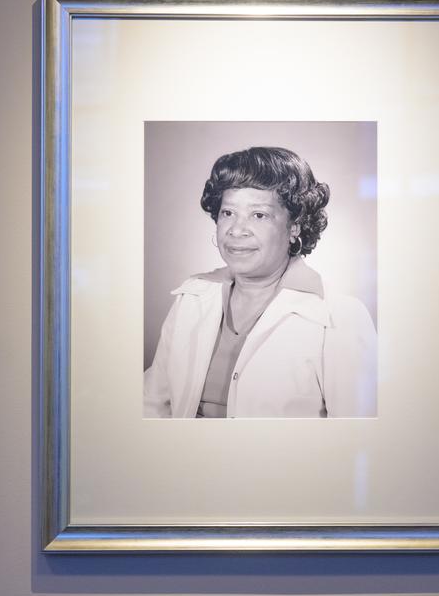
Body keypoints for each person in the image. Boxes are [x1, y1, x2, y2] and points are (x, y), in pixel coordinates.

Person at [143, 146, 377, 418]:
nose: (236, 230)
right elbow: (152, 406)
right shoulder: (190, 299)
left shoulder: (341, 318)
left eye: (259, 215)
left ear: (295, 227)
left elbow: (358, 439)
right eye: (228, 213)